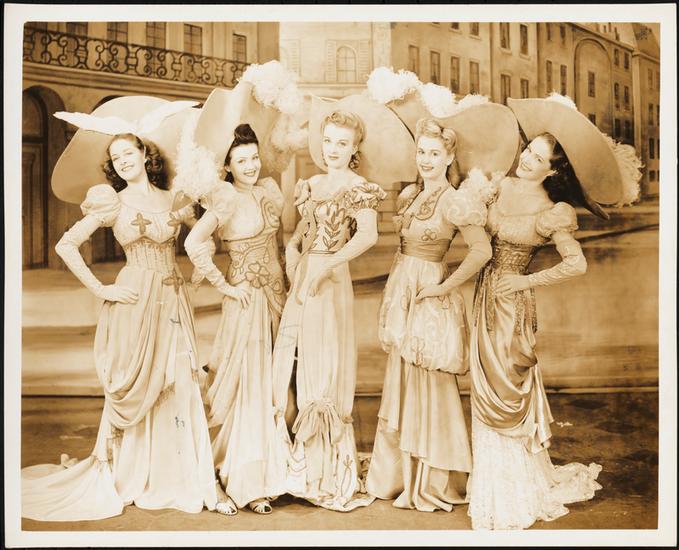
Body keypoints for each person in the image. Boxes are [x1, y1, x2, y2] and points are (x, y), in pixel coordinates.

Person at [22, 97, 218, 520]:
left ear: (146, 155)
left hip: (173, 298)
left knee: (179, 381)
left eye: (129, 152)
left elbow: (204, 237)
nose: (124, 161)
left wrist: (202, 273)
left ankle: (184, 478)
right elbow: (66, 245)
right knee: (141, 383)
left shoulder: (174, 199)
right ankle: (132, 472)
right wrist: (102, 289)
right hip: (134, 300)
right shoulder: (112, 202)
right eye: (116, 157)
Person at [467, 94, 642, 530]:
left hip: (512, 304)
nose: (526, 159)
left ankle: (512, 491)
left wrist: (525, 281)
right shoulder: (499, 186)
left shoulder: (553, 212)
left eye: (538, 158)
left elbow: (575, 264)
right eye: (528, 150)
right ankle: (489, 484)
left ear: (552, 170)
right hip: (483, 294)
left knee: (506, 388)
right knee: (481, 383)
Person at [271, 94, 415, 512]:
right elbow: (301, 233)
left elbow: (367, 236)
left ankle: (325, 472)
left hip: (331, 282)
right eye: (329, 141)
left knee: (324, 361)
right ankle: (294, 466)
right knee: (292, 358)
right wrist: (292, 254)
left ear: (355, 148)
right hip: (304, 276)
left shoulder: (359, 189)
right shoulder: (311, 185)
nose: (333, 149)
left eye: (342, 143)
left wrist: (327, 264)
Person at [365, 118, 493, 512]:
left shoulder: (455, 201)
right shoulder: (411, 195)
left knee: (427, 378)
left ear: (449, 157)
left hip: (428, 294)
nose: (425, 159)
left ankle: (434, 479)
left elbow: (481, 251)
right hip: (404, 288)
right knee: (402, 378)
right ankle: (397, 477)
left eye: (434, 153)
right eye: (421, 151)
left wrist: (442, 286)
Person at [183, 123, 287, 516]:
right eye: (242, 161)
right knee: (250, 383)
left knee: (275, 380)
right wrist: (224, 286)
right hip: (247, 299)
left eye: (254, 158)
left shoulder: (268, 191)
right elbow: (194, 243)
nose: (251, 166)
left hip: (276, 295)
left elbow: (277, 244)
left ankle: (277, 471)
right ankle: (248, 480)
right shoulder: (224, 199)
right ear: (227, 166)